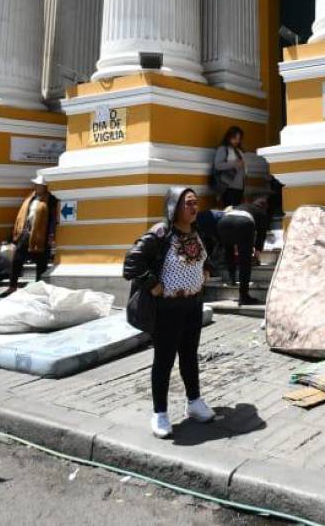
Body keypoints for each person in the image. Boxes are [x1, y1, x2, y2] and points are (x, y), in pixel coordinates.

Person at [122, 188, 217, 439]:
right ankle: (160, 413)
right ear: (174, 206)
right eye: (188, 203)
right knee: (164, 361)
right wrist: (152, 283)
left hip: (193, 306)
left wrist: (207, 270)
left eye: (196, 203)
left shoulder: (197, 233)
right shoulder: (161, 234)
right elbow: (132, 262)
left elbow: (206, 256)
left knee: (189, 356)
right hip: (167, 310)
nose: (194, 208)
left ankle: (194, 401)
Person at [5, 177, 60, 296]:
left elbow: (52, 219)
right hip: (25, 233)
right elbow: (22, 216)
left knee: (41, 264)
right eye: (36, 184)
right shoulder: (30, 198)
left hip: (41, 235)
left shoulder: (51, 200)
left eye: (39, 185)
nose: (36, 187)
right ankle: (12, 287)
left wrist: (51, 234)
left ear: (45, 187)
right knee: (16, 260)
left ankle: (38, 289)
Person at [216, 196, 270, 306]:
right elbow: (261, 235)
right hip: (243, 223)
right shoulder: (261, 212)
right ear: (264, 207)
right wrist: (257, 252)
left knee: (229, 249)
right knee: (245, 261)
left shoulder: (242, 206)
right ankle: (244, 296)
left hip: (223, 222)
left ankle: (231, 278)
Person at [212, 127, 247, 207]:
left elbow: (243, 172)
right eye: (235, 138)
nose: (237, 141)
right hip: (228, 188)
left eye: (239, 139)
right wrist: (234, 163)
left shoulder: (239, 151)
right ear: (229, 137)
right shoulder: (223, 149)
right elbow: (218, 165)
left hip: (239, 188)